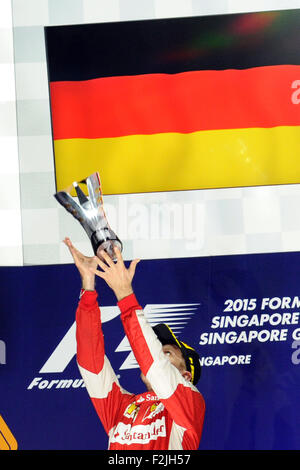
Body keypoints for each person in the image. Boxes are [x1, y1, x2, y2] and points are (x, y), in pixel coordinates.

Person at [64, 237, 205, 450]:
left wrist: (124, 294)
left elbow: (155, 367)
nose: (157, 352)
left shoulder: (191, 403)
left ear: (185, 376)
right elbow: (91, 366)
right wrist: (88, 287)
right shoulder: (123, 405)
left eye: (166, 352)